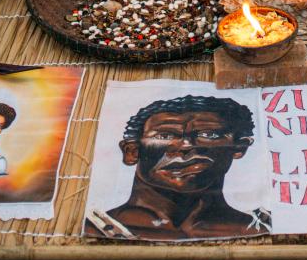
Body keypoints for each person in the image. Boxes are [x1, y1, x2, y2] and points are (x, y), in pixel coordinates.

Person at [85, 95, 270, 240]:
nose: (186, 146)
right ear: (132, 152)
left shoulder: (263, 227)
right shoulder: (91, 228)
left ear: (239, 148)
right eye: (165, 135)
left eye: (208, 134)